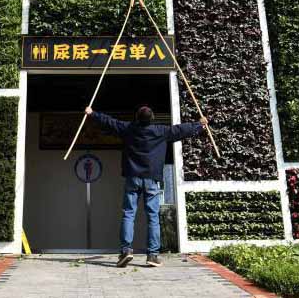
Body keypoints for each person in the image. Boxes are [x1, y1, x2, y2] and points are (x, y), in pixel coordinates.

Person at [85, 105, 208, 267]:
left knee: (129, 214)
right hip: (151, 179)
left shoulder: (128, 129)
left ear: (137, 118)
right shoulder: (160, 131)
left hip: (132, 178)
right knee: (152, 217)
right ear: (152, 118)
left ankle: (126, 251)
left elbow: (110, 122)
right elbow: (180, 130)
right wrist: (199, 124)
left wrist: (93, 113)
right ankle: (152, 255)